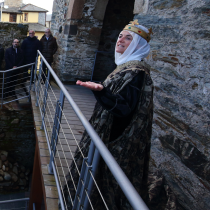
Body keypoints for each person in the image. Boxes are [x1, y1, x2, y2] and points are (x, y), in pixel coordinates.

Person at [63, 20, 154, 210]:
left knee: (102, 183)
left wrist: (101, 91)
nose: (121, 40)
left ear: (138, 45)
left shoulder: (136, 72)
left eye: (128, 38)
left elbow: (124, 109)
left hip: (114, 141)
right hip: (107, 135)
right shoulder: (126, 67)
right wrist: (102, 91)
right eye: (120, 36)